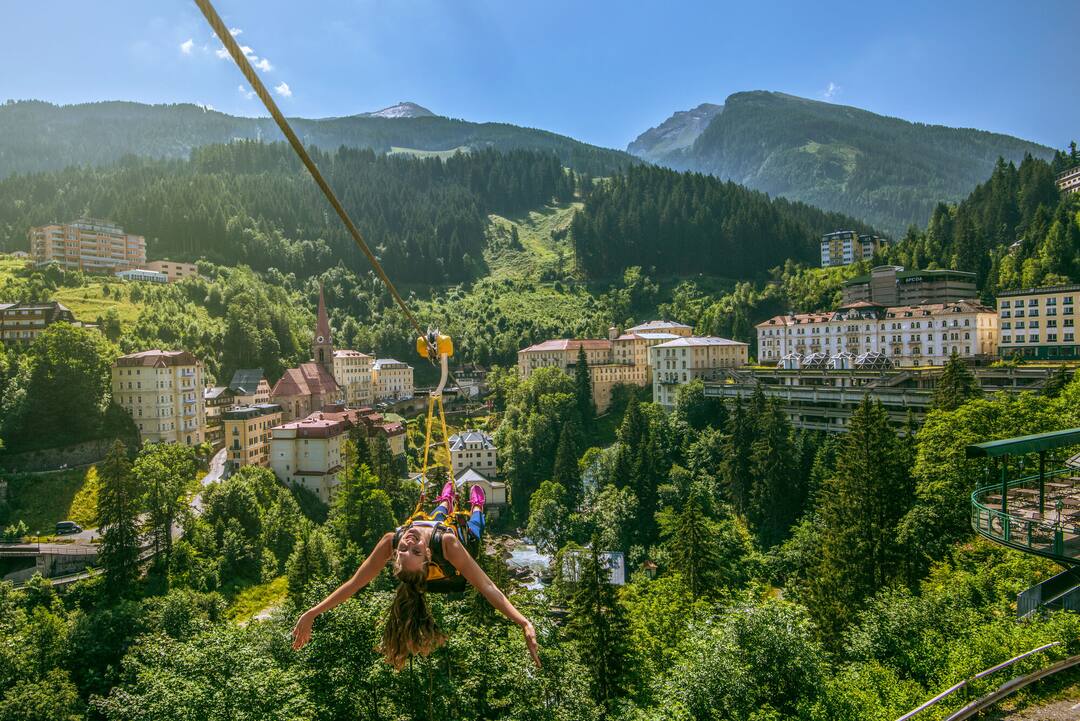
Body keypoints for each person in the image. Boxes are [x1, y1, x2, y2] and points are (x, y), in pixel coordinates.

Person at [290, 481, 541, 669]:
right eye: (416, 550)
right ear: (428, 555)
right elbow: (486, 586)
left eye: (403, 550)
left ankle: (446, 500)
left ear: (395, 554)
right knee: (474, 526)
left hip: (434, 525)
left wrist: (312, 613)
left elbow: (355, 583)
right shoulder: (448, 544)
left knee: (436, 516)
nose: (409, 542)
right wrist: (523, 622)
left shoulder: (393, 539)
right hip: (459, 545)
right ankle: (477, 505)